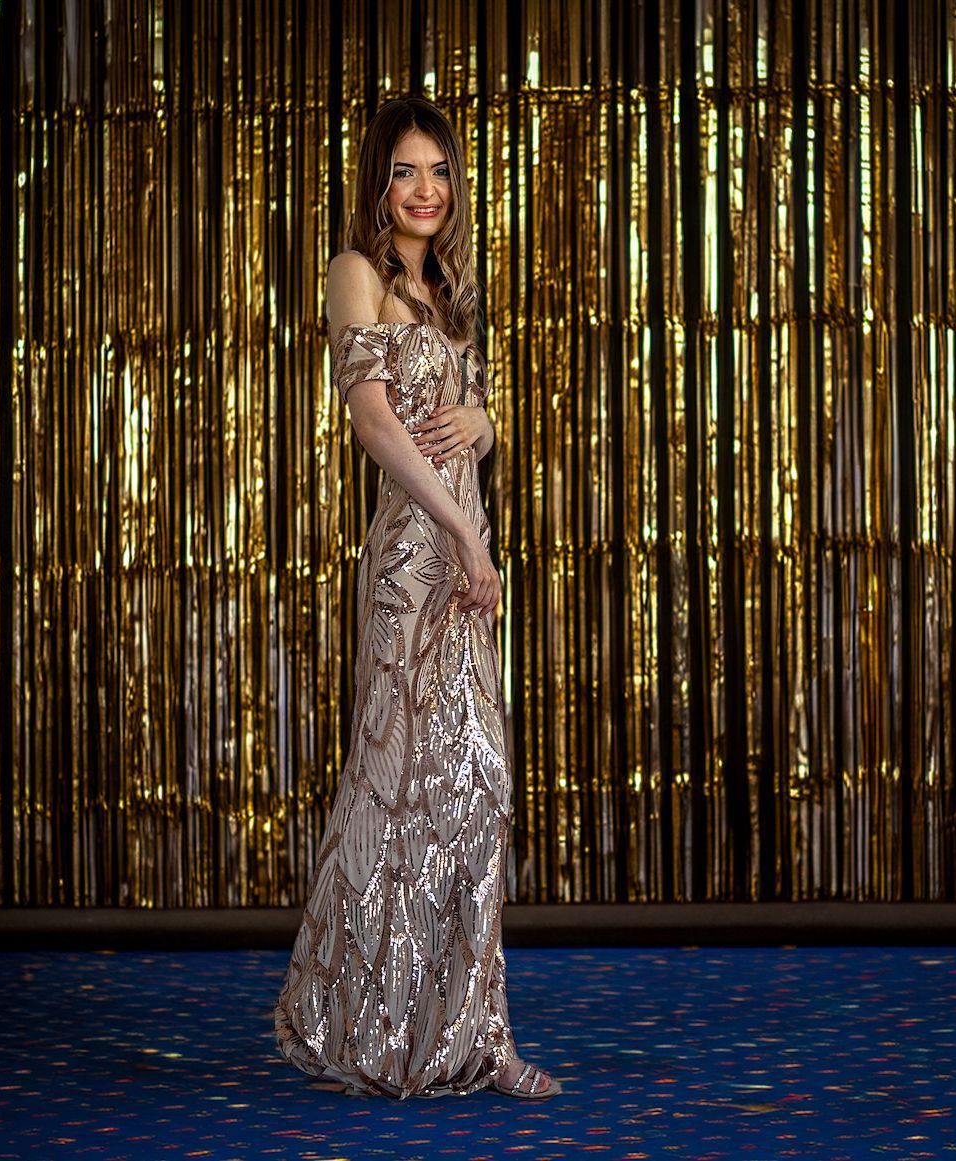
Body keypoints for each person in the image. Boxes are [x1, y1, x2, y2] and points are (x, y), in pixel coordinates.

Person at [271, 96, 561, 1101]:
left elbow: (461, 414)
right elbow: (375, 426)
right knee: (393, 792)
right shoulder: (354, 271)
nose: (424, 189)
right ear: (377, 181)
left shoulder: (446, 286)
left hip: (465, 561)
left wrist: (486, 424)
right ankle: (364, 1025)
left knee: (474, 789)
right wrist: (463, 534)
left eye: (438, 170)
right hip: (414, 563)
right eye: (405, 170)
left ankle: (478, 1036)